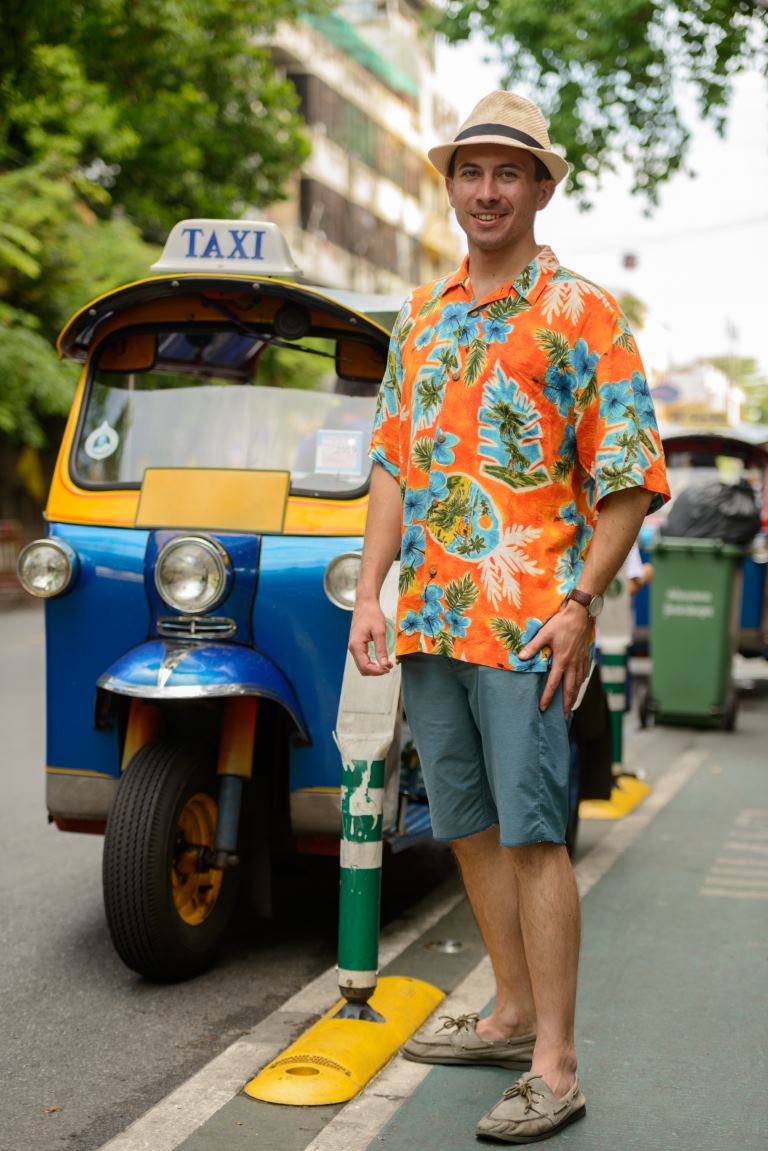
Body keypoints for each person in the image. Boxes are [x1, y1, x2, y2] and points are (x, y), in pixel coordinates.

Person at [348, 90, 669, 1144]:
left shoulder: (579, 312)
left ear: (540, 186)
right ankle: (510, 1009)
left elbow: (626, 475)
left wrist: (582, 602)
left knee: (534, 834)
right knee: (470, 828)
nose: (486, 191)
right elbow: (395, 456)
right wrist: (375, 583)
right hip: (435, 614)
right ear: (449, 185)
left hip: (531, 617)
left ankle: (555, 1060)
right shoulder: (424, 315)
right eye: (470, 171)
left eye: (508, 172)